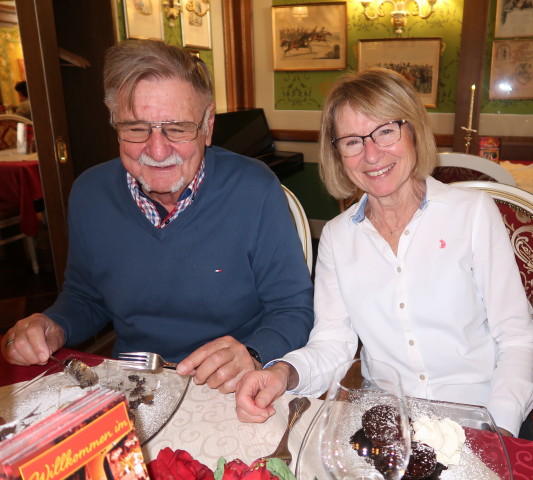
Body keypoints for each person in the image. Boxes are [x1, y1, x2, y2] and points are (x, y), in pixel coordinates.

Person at [235, 68, 533, 438]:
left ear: (413, 130)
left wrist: (500, 425)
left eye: (385, 131)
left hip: (481, 417)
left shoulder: (473, 214)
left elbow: (518, 338)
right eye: (352, 141)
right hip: (388, 424)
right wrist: (284, 372)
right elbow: (333, 345)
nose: (371, 154)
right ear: (337, 155)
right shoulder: (336, 237)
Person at [1, 40, 314, 393]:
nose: (158, 150)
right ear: (113, 124)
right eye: (136, 129)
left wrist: (255, 354)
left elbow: (292, 307)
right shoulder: (90, 193)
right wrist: (53, 324)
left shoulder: (254, 188)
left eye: (178, 128)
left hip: (231, 387)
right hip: (134, 384)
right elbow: (86, 296)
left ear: (208, 125)